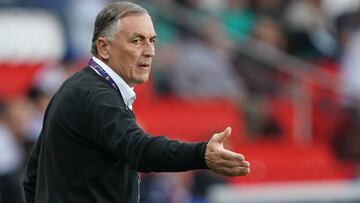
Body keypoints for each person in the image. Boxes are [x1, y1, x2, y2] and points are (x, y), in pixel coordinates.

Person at [23, 2, 250, 203]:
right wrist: (202, 154)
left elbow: (33, 177)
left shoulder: (77, 87)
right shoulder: (96, 95)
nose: (150, 51)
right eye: (137, 41)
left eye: (152, 40)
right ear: (104, 48)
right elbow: (140, 149)